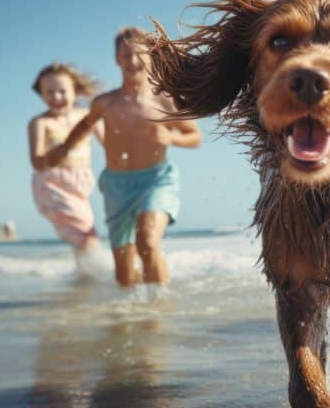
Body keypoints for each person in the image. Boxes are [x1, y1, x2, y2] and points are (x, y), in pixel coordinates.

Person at [47, 27, 202, 287]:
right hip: (116, 185)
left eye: (139, 54)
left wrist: (172, 138)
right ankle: (130, 315)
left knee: (148, 242)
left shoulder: (165, 101)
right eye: (125, 55)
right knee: (123, 265)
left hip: (156, 179)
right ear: (117, 59)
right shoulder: (105, 102)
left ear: (151, 56)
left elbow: (195, 137)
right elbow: (85, 125)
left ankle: (158, 308)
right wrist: (63, 149)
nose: (132, 61)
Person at [28, 63, 105, 266]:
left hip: (80, 184)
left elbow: (110, 143)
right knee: (88, 238)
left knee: (82, 236)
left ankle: (82, 280)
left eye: (62, 91)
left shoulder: (86, 116)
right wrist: (62, 149)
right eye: (49, 92)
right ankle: (101, 276)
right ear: (41, 94)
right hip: (53, 186)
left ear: (75, 91)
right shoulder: (40, 123)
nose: (56, 97)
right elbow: (37, 163)